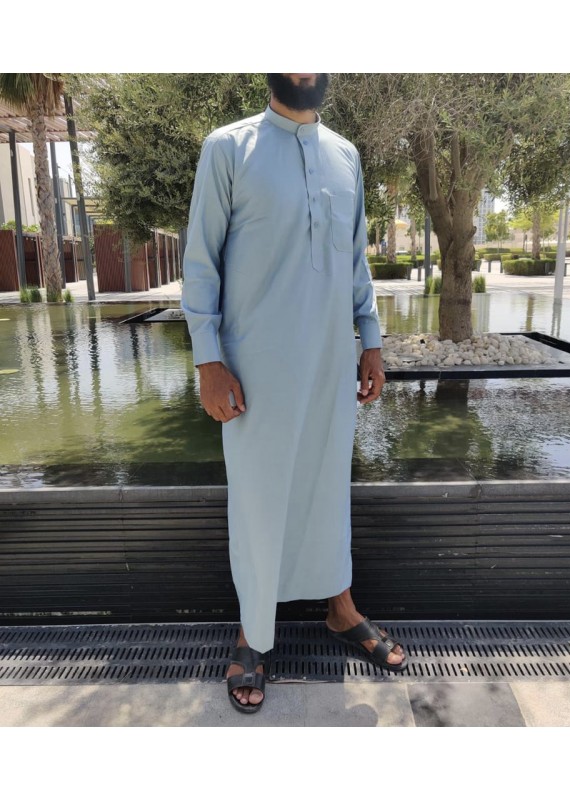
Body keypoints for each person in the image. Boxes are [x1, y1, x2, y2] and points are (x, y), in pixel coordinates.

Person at [181, 73, 407, 714]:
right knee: (258, 498)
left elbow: (354, 259)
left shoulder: (345, 155)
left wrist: (370, 339)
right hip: (254, 368)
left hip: (330, 363)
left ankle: (341, 609)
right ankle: (254, 634)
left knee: (327, 486)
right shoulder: (228, 148)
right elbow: (200, 261)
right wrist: (209, 361)